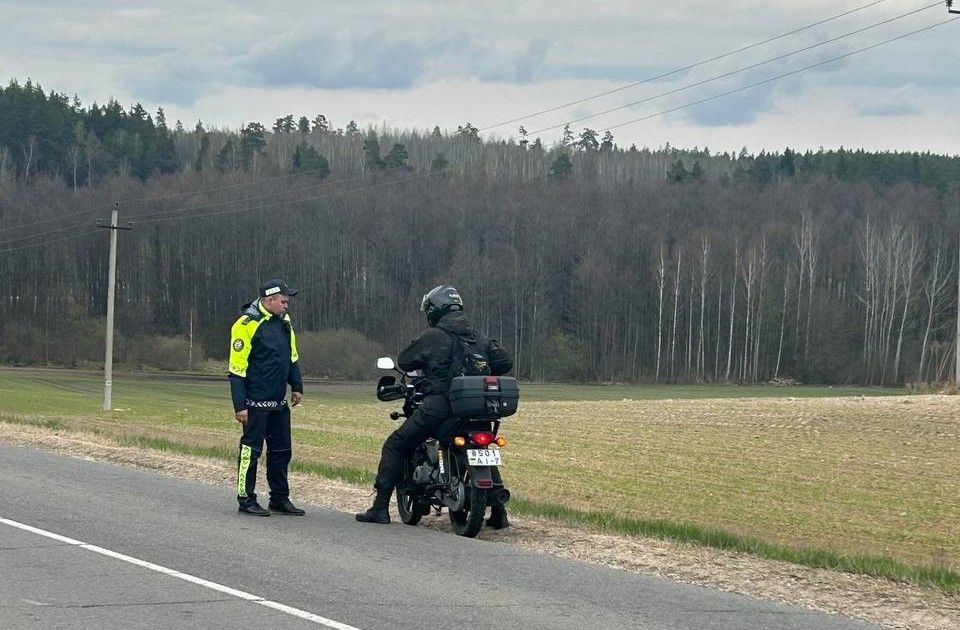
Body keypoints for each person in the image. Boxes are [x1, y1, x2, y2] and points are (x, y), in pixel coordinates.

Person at [356, 284, 513, 528]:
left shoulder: (435, 336)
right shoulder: (477, 337)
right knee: (481, 451)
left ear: (434, 310)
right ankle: (499, 513)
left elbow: (405, 360)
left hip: (439, 407)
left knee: (395, 445)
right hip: (476, 411)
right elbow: (504, 361)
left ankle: (379, 508)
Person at [228, 277, 306, 517]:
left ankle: (279, 498)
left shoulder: (285, 321)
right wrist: (240, 406)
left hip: (278, 400)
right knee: (251, 451)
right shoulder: (246, 324)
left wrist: (296, 385)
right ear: (269, 300)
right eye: (283, 301)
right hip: (255, 401)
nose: (286, 306)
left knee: (282, 450)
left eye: (287, 302)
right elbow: (236, 370)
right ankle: (246, 498)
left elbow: (291, 356)